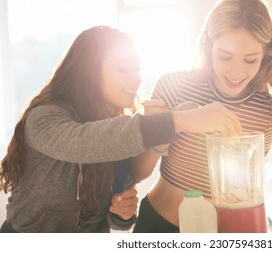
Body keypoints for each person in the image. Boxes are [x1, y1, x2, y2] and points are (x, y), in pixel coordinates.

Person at [0, 26, 242, 233]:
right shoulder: (43, 118)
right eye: (122, 69)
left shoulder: (117, 126)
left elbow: (120, 195)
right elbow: (84, 144)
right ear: (89, 71)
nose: (137, 80)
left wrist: (121, 214)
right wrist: (179, 120)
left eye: (136, 69)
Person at [133, 0, 272, 233]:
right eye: (225, 56)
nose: (237, 72)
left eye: (250, 60)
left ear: (266, 55)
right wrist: (175, 123)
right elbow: (138, 172)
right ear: (209, 44)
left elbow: (244, 196)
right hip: (157, 226)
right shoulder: (174, 86)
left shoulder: (266, 111)